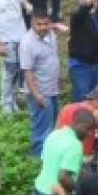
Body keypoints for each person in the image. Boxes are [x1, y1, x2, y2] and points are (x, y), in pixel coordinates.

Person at [20, 13, 61, 157]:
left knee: (52, 124)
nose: (43, 27)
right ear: (32, 24)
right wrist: (37, 94)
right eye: (39, 24)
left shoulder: (50, 35)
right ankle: (37, 158)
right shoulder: (27, 43)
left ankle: (48, 155)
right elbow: (27, 71)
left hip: (53, 89)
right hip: (40, 92)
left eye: (46, 23)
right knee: (40, 127)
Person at [68, 0, 98, 102]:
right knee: (82, 96)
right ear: (83, 1)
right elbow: (78, 13)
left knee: (95, 96)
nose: (94, 1)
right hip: (81, 64)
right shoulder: (78, 16)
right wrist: (87, 5)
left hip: (96, 62)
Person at [56, 88, 98, 160]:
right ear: (97, 100)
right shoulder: (95, 113)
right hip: (79, 154)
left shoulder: (67, 107)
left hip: (59, 150)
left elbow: (57, 129)